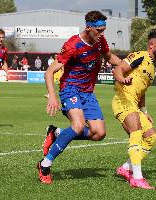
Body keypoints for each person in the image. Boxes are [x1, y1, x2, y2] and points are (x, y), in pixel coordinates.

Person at [37, 10, 122, 184]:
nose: (101, 34)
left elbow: (110, 56)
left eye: (103, 30)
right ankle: (45, 164)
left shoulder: (100, 41)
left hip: (87, 93)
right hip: (70, 89)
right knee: (78, 126)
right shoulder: (73, 45)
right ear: (88, 28)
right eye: (98, 31)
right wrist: (53, 96)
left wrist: (127, 65)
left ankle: (57, 132)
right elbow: (49, 72)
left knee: (99, 133)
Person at [112, 28, 156, 189]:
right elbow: (118, 69)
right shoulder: (139, 55)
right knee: (136, 134)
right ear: (151, 45)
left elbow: (142, 91)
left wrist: (145, 111)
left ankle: (125, 168)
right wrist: (122, 79)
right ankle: (137, 178)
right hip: (123, 100)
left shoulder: (152, 67)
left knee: (152, 137)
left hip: (135, 104)